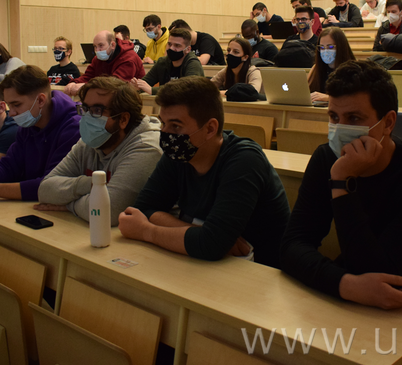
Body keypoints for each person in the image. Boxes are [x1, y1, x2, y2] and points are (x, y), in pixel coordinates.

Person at [280, 60, 402, 328]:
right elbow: (292, 245)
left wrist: (342, 183)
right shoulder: (328, 159)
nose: (339, 128)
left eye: (354, 119)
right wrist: (345, 284)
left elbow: (383, 274)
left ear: (388, 123)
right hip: (357, 299)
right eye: (333, 117)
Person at [118, 77, 290, 268]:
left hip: (261, 270)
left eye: (176, 126)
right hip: (207, 264)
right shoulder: (178, 153)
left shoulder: (245, 160)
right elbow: (144, 209)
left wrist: (147, 231)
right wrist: (202, 233)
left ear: (210, 128)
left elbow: (211, 244)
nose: (165, 133)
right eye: (163, 123)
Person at [36, 77, 162, 224]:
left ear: (123, 119)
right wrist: (92, 184)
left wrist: (68, 205)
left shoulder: (146, 147)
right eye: (85, 109)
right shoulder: (90, 141)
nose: (87, 118)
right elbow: (45, 190)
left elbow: (107, 211)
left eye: (97, 110)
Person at [0, 66, 81, 201]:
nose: (12, 113)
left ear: (40, 100)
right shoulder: (30, 122)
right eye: (9, 105)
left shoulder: (74, 128)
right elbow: (10, 164)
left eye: (16, 104)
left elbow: (52, 184)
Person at [64, 30, 145, 95]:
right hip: (106, 95)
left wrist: (86, 86)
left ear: (112, 45)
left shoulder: (129, 58)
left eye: (101, 46)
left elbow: (116, 83)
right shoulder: (98, 59)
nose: (97, 50)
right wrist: (74, 83)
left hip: (127, 98)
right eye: (95, 46)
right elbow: (88, 76)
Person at [131, 28, 204, 95]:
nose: (171, 48)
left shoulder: (193, 63)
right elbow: (146, 83)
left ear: (188, 49)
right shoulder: (162, 62)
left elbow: (188, 88)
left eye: (177, 45)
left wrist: (152, 90)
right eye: (169, 44)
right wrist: (137, 86)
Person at [308, 28, 355, 103]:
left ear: (341, 47)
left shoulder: (353, 71)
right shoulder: (315, 68)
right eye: (322, 47)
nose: (325, 51)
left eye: (330, 47)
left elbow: (355, 100)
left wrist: (329, 98)